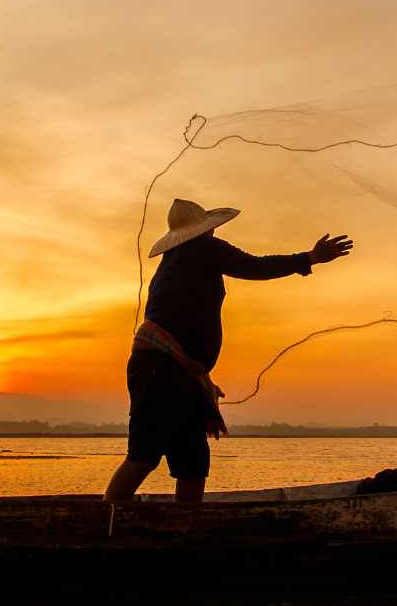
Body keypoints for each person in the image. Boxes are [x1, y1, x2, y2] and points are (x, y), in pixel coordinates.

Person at [105, 199, 352, 505]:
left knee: (191, 459)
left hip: (172, 371)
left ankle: (184, 527)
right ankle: (108, 524)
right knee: (146, 454)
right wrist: (310, 258)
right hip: (162, 372)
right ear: (203, 230)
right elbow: (255, 266)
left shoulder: (176, 260)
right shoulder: (201, 250)